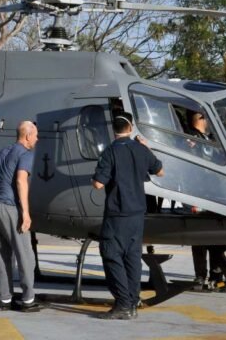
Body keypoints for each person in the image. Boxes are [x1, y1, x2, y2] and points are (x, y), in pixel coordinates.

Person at [92, 112, 164, 320]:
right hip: (137, 214)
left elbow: (98, 184)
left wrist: (93, 177)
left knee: (112, 256)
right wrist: (146, 147)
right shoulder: (140, 149)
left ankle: (123, 303)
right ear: (130, 128)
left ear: (113, 129)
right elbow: (159, 171)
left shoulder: (110, 152)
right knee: (132, 258)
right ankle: (132, 302)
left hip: (117, 214)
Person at [0, 120, 42, 312]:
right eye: (35, 135)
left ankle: (5, 300)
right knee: (25, 255)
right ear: (27, 136)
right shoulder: (26, 153)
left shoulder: (3, 151)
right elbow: (20, 181)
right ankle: (28, 300)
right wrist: (26, 213)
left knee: (2, 255)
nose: (37, 138)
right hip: (8, 207)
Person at [186, 110, 226, 293]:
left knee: (217, 237)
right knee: (199, 238)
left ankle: (216, 276)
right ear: (200, 118)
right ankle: (200, 276)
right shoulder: (189, 138)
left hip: (216, 193)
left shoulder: (214, 137)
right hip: (198, 192)